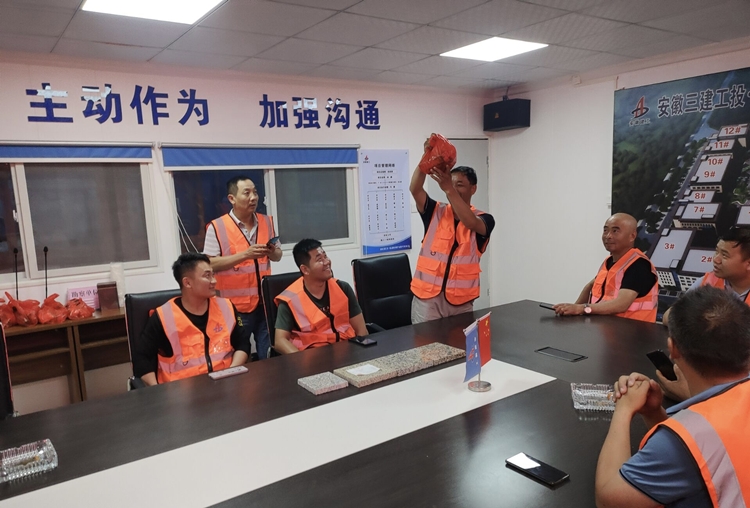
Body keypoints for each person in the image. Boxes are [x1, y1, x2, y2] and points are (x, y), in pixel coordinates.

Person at [594, 286, 750, 508]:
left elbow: (609, 500)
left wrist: (624, 409)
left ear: (673, 348)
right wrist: (654, 414)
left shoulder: (680, 443)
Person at [658, 227, 750, 401]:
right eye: (716, 252)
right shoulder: (708, 281)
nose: (716, 259)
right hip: (705, 367)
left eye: (724, 255)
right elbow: (669, 316)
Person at [409, 137, 495, 324]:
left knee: (459, 342)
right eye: (452, 183)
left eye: (460, 185)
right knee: (426, 343)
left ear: (473, 189)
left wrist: (449, 189)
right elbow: (415, 189)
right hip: (427, 298)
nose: (454, 188)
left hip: (460, 301)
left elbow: (470, 222)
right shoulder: (435, 211)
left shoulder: (485, 219)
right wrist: (427, 158)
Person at [133, 253, 250, 386]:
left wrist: (231, 371)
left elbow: (243, 344)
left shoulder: (226, 307)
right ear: (187, 282)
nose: (214, 281)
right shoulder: (164, 316)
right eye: (207, 276)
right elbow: (142, 359)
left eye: (213, 274)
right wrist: (157, 391)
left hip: (225, 385)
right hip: (180, 393)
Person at [203, 175, 282, 360]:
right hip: (234, 306)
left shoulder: (267, 222)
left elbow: (278, 256)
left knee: (268, 354)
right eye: (247, 193)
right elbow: (209, 264)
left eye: (255, 192)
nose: (253, 197)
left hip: (264, 302)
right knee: (238, 355)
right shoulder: (217, 226)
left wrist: (271, 252)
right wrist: (245, 255)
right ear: (232, 198)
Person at [554, 213, 658, 322]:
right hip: (605, 327)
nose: (608, 236)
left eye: (615, 231)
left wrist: (582, 308)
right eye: (605, 230)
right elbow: (590, 286)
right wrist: (572, 309)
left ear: (632, 236)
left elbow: (622, 304)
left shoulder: (639, 265)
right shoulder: (609, 261)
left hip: (632, 330)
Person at [274, 239, 367, 353]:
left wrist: (362, 355)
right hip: (312, 356)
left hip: (346, 351)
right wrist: (299, 359)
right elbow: (280, 341)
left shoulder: (342, 288)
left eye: (325, 256)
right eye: (319, 259)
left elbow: (362, 331)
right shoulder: (290, 299)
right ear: (305, 269)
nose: (327, 262)